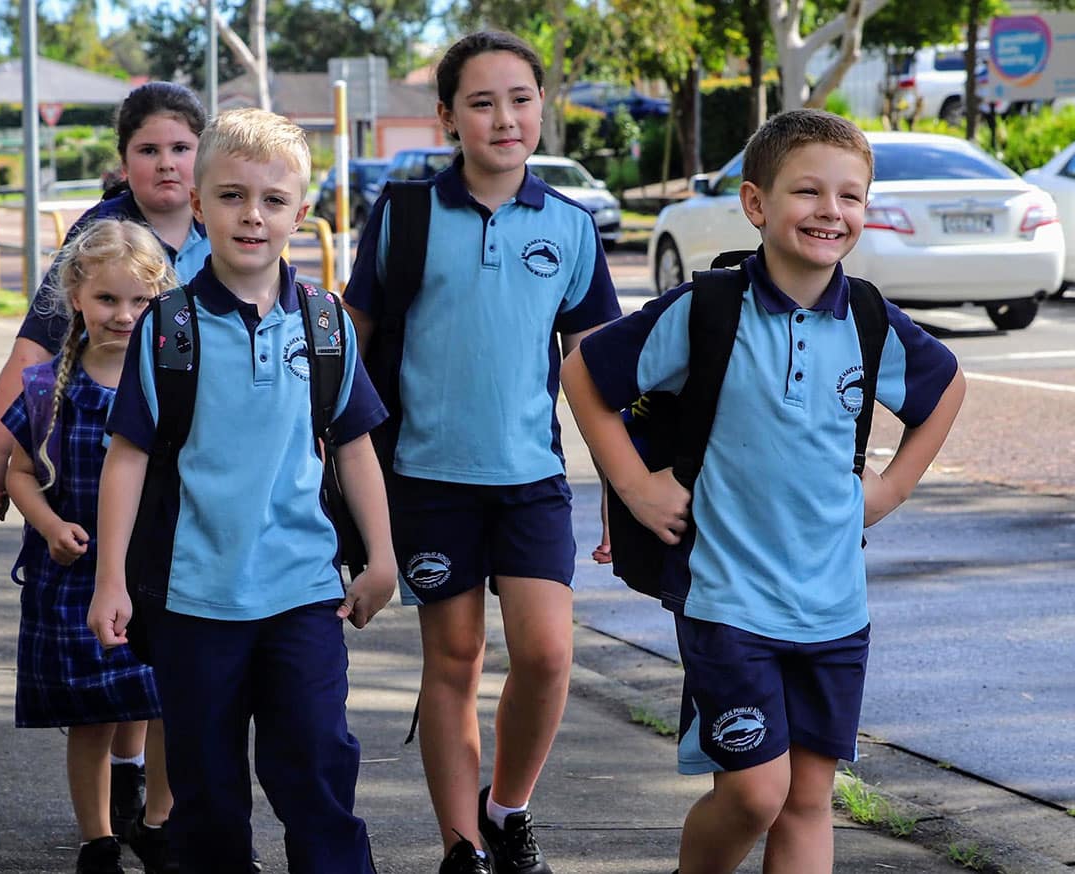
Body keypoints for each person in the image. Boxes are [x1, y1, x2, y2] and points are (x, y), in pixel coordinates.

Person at [560, 109, 967, 874]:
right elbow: (585, 374)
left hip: (835, 608)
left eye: (850, 196)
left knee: (809, 800)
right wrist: (634, 484)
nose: (830, 211)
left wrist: (887, 491)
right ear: (757, 204)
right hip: (729, 603)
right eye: (807, 191)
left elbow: (946, 388)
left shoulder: (869, 320)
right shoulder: (708, 311)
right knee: (754, 794)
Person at [87, 108, 397, 874]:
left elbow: (354, 446)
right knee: (207, 792)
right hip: (197, 602)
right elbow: (128, 457)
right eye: (230, 196)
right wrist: (111, 579)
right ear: (197, 204)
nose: (251, 216)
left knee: (319, 772)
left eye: (272, 200)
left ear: (301, 211)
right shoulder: (168, 327)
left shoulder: (325, 324)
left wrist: (384, 557)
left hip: (303, 595)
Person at [340, 30, 620, 874]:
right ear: (448, 117)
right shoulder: (405, 213)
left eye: (520, 99)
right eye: (482, 102)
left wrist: (620, 478)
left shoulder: (570, 229)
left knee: (546, 653)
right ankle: (462, 845)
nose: (504, 117)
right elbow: (353, 340)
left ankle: (508, 809)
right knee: (452, 660)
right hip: (426, 481)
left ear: (543, 108)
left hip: (530, 480)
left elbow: (596, 367)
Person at [0, 81, 209, 842]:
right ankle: (113, 816)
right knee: (112, 668)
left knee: (158, 675)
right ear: (124, 160)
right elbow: (35, 349)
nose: (166, 164)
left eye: (181, 149)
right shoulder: (99, 238)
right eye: (148, 150)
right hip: (90, 468)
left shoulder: (222, 221)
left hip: (185, 484)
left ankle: (144, 805)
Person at [0, 219, 178, 873]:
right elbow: (20, 471)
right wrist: (47, 524)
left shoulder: (172, 383)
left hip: (154, 572)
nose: (124, 315)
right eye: (108, 299)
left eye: (140, 301)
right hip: (73, 572)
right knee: (92, 717)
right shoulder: (50, 386)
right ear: (77, 294)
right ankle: (98, 838)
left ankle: (158, 821)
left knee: (165, 705)